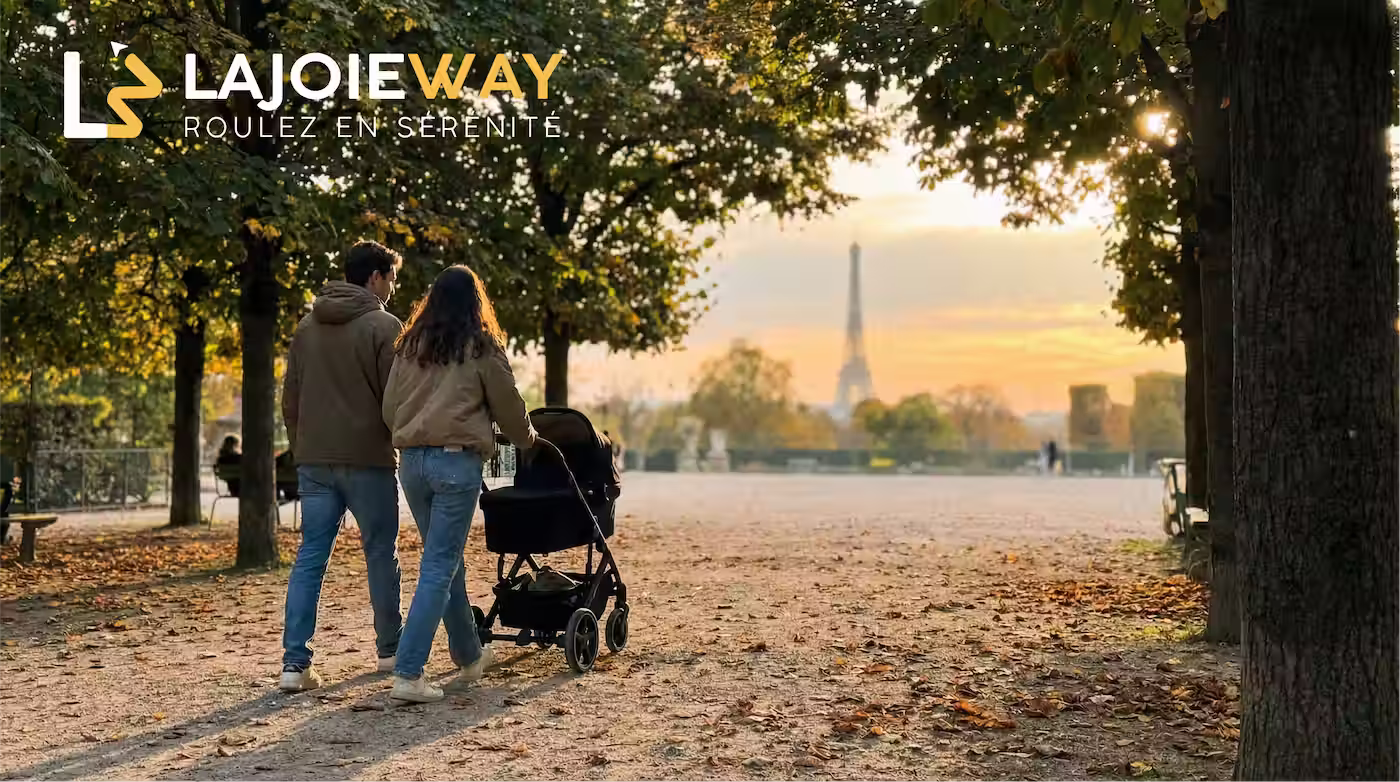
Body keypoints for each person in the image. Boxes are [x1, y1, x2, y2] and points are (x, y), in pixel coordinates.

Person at [382, 264, 537, 703]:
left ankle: (469, 656)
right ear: (475, 302)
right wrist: (527, 440)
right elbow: (509, 407)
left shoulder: (409, 347)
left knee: (445, 562)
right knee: (439, 565)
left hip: (411, 463)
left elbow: (389, 411)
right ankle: (409, 673)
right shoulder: (482, 346)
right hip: (456, 465)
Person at [277, 240, 406, 692]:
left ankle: (295, 664)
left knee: (310, 557)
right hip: (368, 459)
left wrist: (303, 445)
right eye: (391, 277)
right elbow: (398, 399)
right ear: (375, 276)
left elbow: (289, 398)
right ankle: (391, 651)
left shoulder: (305, 328)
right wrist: (396, 442)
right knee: (380, 554)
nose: (393, 287)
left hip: (315, 460)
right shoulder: (385, 326)